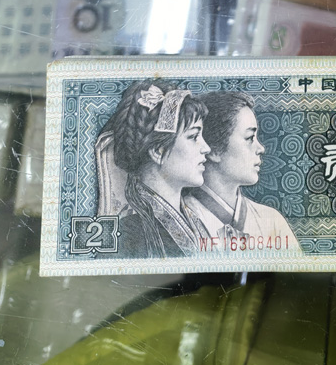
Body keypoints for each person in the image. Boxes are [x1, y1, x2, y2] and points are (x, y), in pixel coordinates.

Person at [98, 80, 211, 257]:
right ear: (158, 151)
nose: (206, 148)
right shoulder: (127, 235)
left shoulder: (195, 221)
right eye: (193, 136)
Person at [184, 92, 301, 252]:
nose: (261, 148)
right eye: (249, 138)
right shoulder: (181, 218)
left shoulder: (272, 221)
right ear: (214, 150)